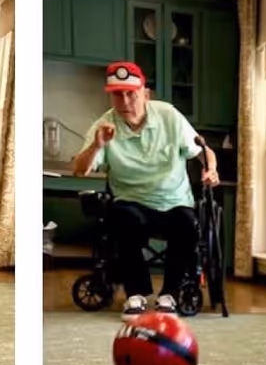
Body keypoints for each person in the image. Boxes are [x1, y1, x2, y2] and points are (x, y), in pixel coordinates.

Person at [72, 61, 219, 316]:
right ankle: (136, 295)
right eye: (118, 94)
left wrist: (211, 169)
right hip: (132, 202)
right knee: (121, 217)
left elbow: (205, 153)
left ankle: (169, 295)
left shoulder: (170, 116)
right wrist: (97, 146)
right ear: (110, 96)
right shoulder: (104, 126)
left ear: (146, 94)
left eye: (132, 93)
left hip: (174, 202)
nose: (126, 101)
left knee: (187, 225)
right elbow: (79, 170)